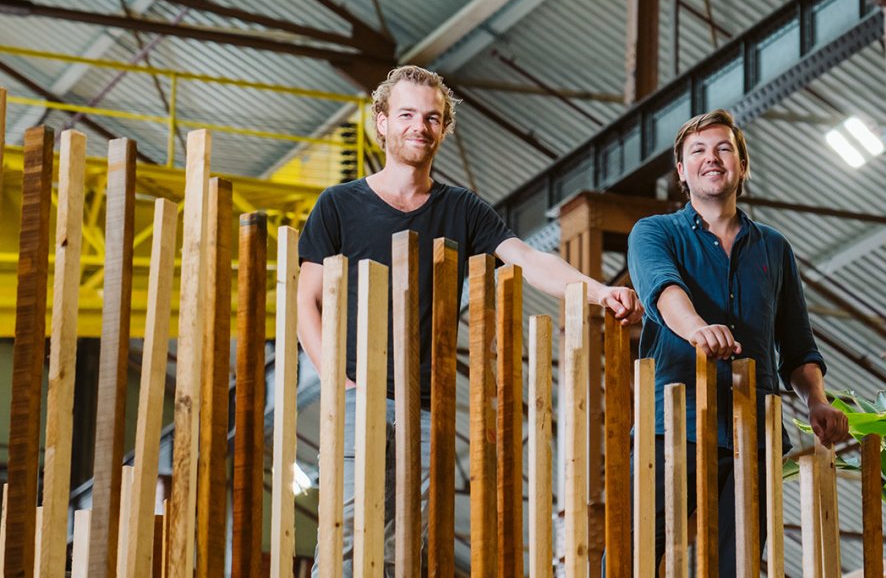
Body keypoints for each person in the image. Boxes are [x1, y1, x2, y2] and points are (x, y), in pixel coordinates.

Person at [297, 65, 642, 576]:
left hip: (427, 406)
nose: (421, 126)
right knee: (347, 536)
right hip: (355, 398)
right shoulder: (339, 205)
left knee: (402, 552)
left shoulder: (462, 209)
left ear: (444, 128)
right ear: (382, 123)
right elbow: (307, 304)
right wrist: (340, 384)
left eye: (433, 118)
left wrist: (599, 290)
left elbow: (526, 257)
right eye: (408, 115)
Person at [625, 108, 850, 574]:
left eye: (724, 149)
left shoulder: (773, 246)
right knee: (635, 552)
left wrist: (816, 401)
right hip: (674, 421)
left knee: (740, 562)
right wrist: (696, 330)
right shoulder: (654, 232)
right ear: (681, 171)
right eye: (698, 152)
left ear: (742, 166)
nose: (713, 158)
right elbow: (664, 291)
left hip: (753, 427)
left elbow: (797, 342)